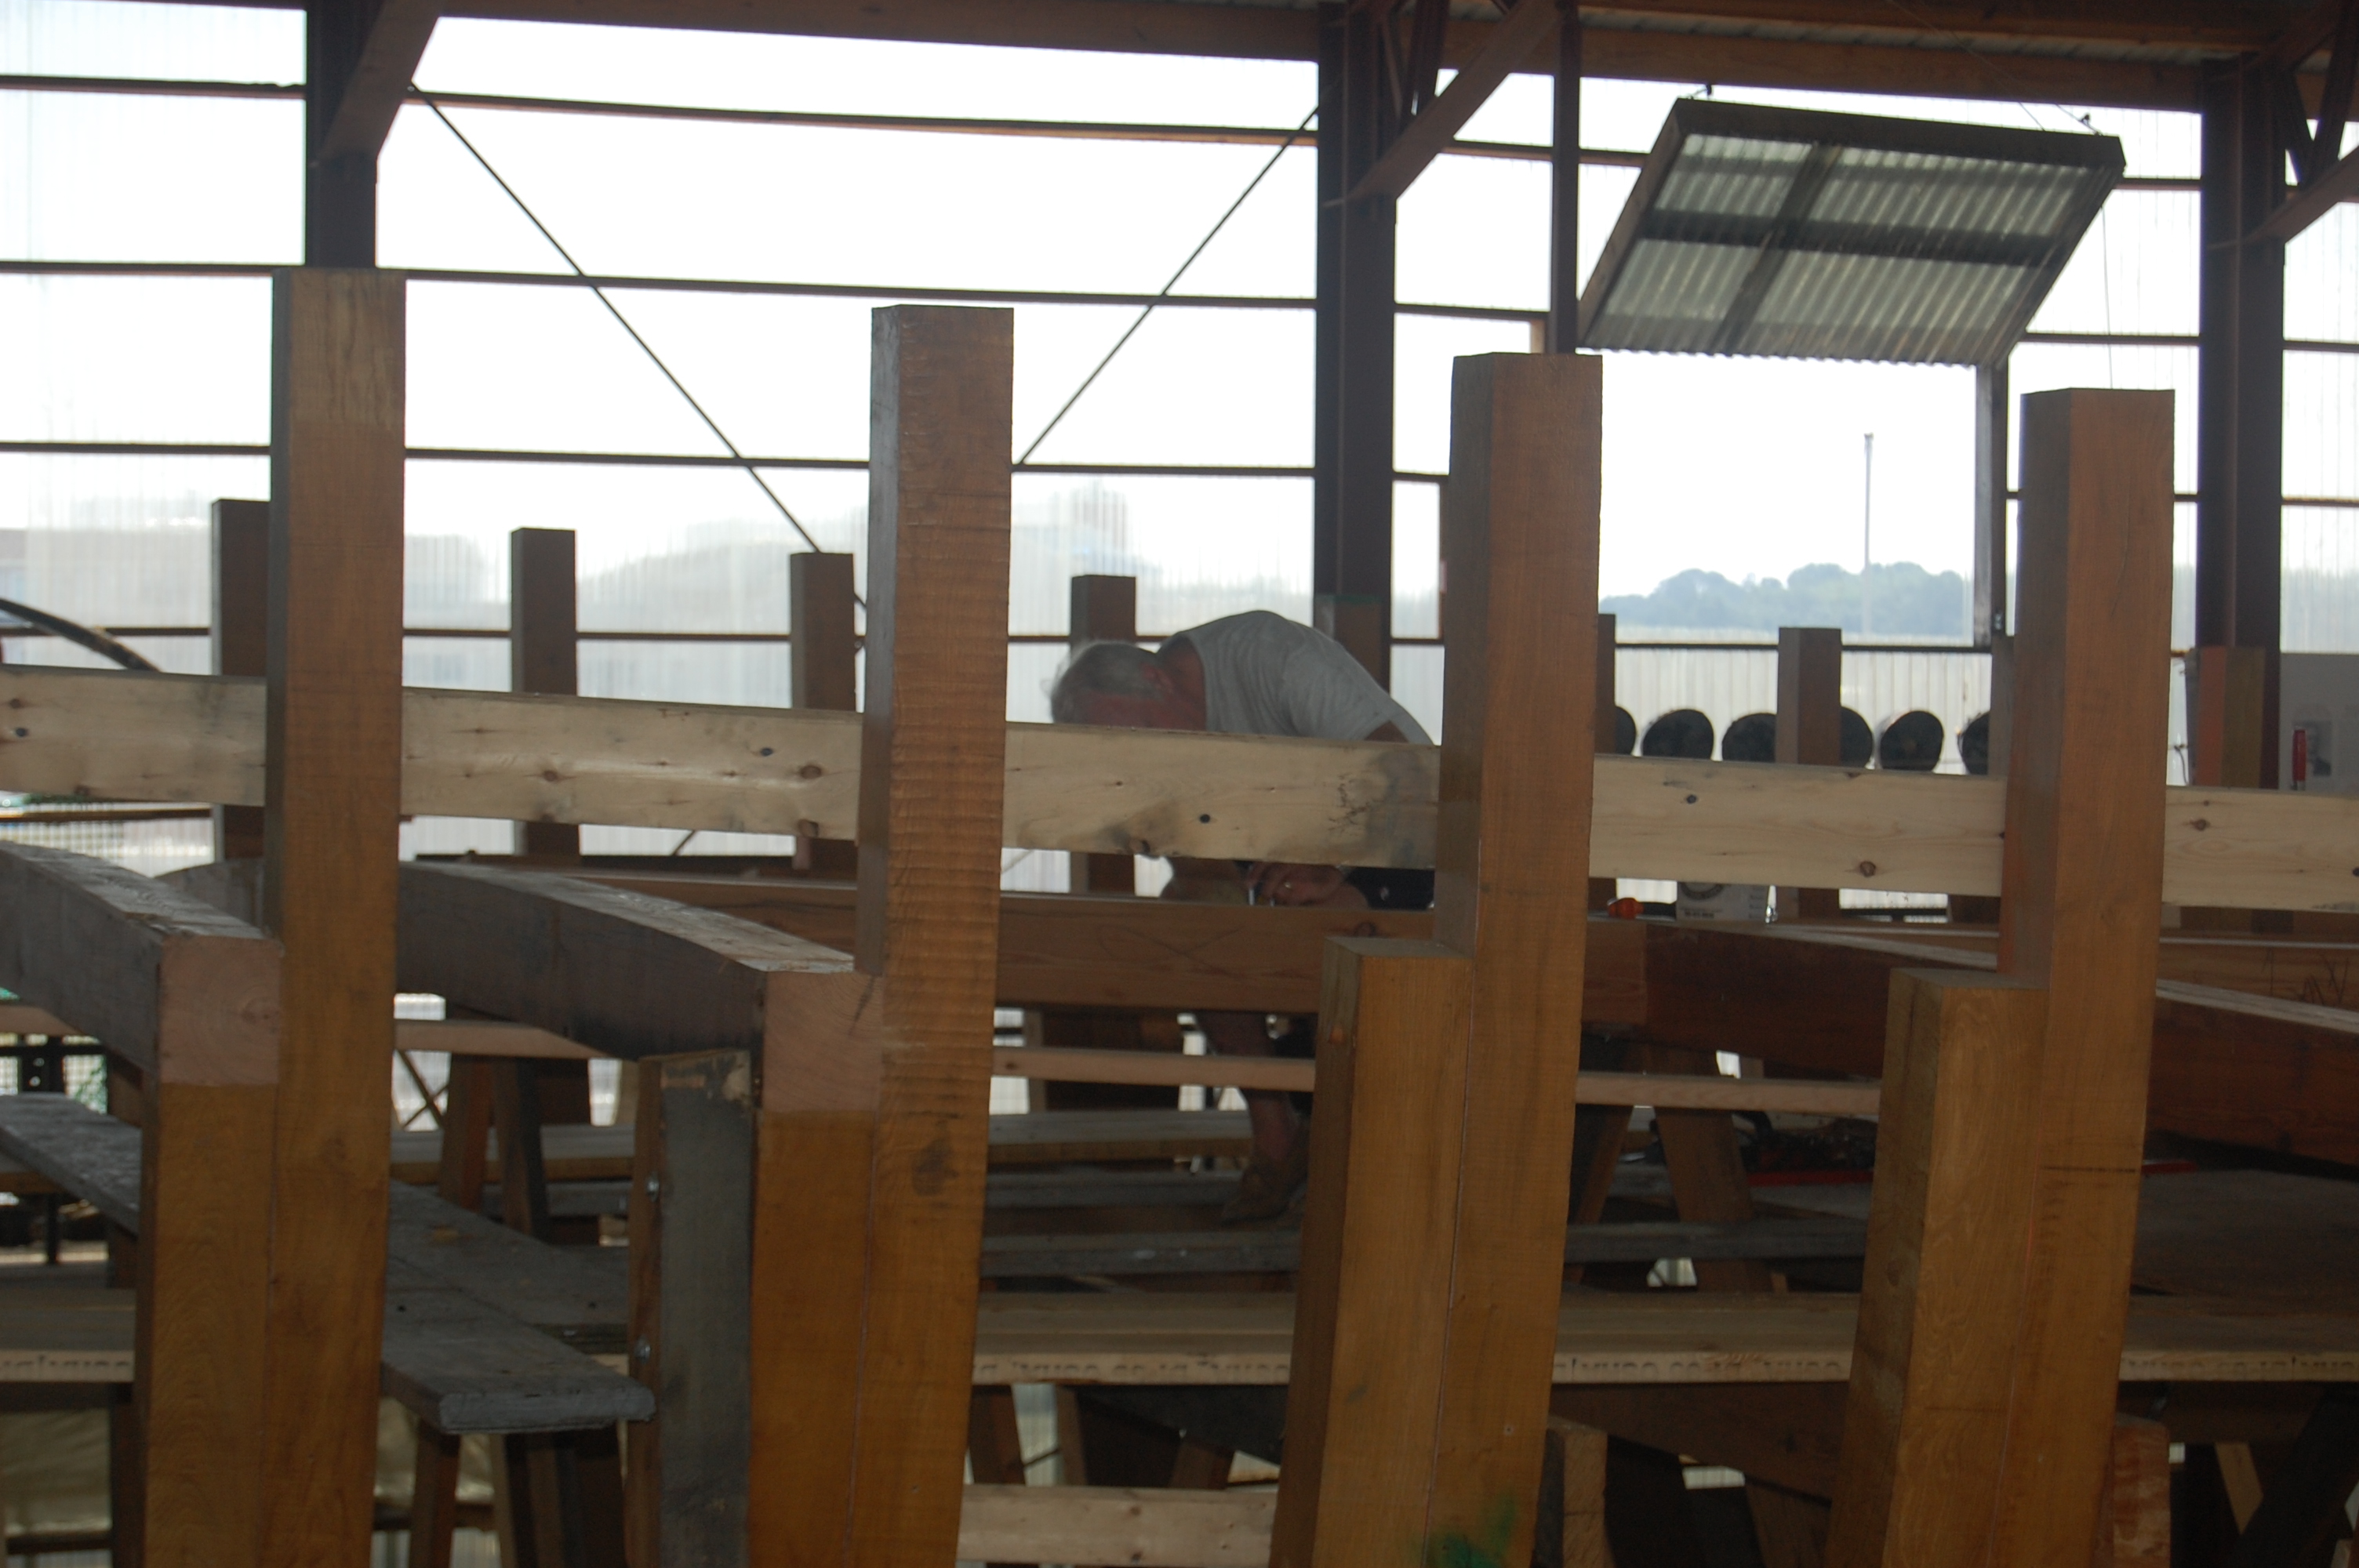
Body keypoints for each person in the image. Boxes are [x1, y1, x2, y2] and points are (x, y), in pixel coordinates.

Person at [1049, 610, 1434, 1221]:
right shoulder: (1166, 732)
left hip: (1408, 851)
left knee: (1323, 936)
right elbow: (1201, 869)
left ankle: (1371, 1155)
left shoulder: (1271, 658)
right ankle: (1276, 1133)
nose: (1144, 764)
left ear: (1157, 679)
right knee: (1195, 925)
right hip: (1283, 869)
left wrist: (1332, 863)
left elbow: (1411, 776)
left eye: (1141, 737)